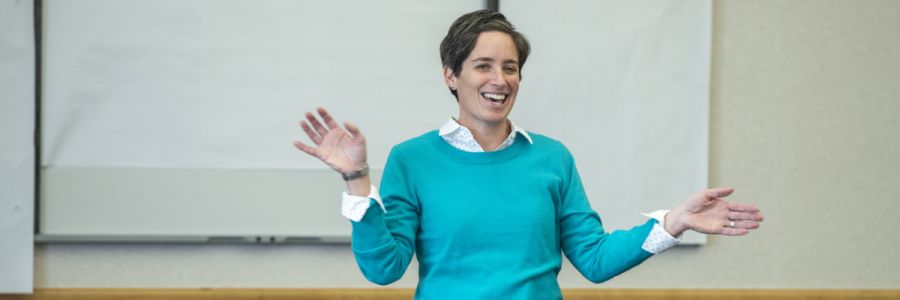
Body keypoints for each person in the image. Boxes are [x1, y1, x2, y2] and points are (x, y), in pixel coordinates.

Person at [293, 9, 763, 299]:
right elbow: (384, 269)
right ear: (451, 76)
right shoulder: (412, 159)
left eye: (510, 67)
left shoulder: (552, 159)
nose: (500, 80)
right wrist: (356, 178)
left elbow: (595, 260)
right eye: (483, 66)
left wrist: (673, 222)